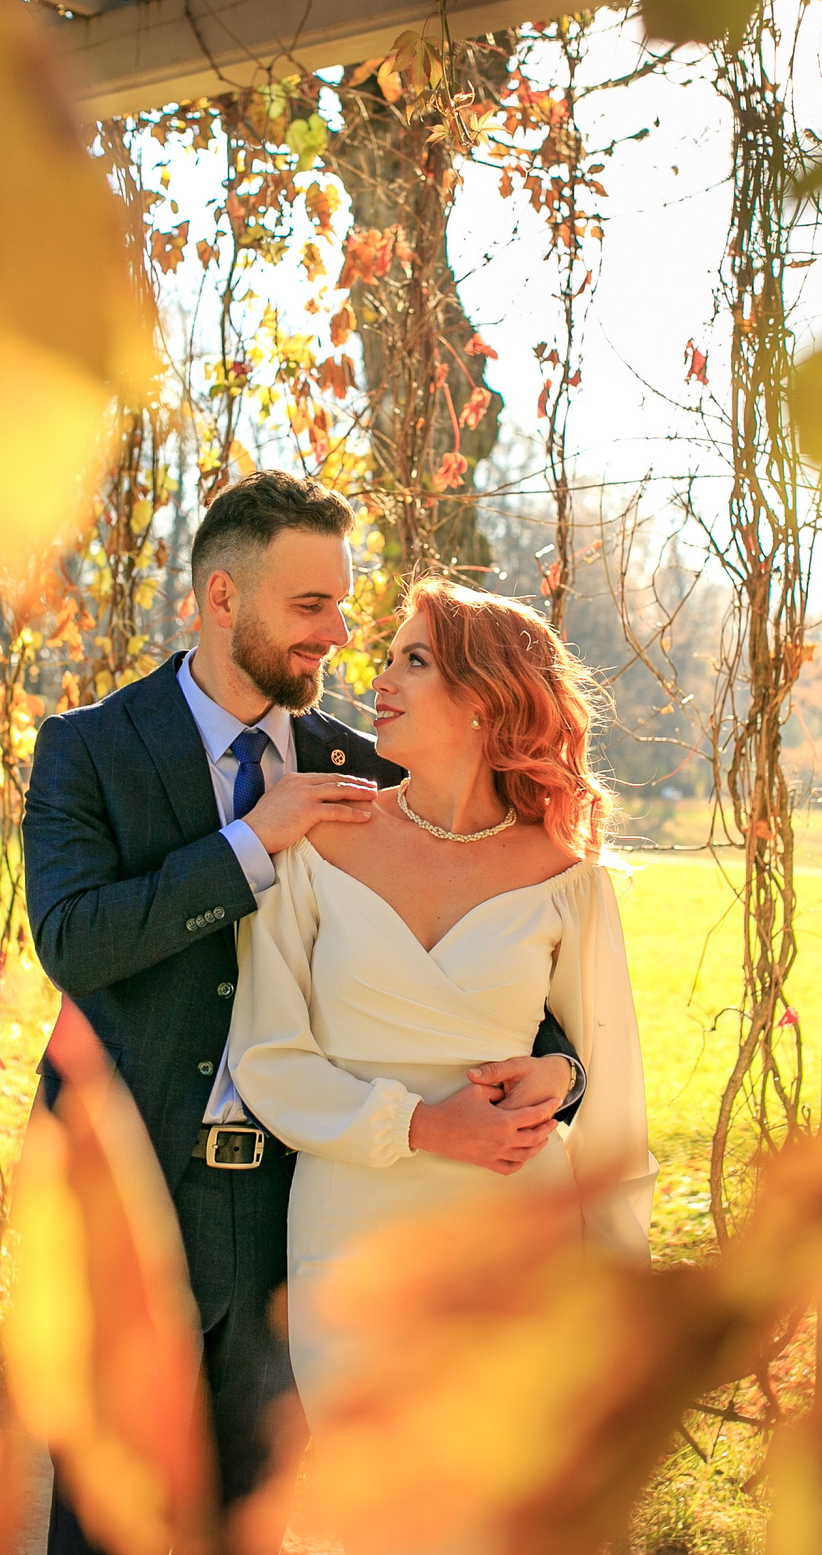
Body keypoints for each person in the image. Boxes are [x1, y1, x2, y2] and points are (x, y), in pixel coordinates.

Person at [20, 473, 586, 1555]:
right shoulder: (87, 749)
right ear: (221, 598)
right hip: (126, 1188)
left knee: (254, 1515)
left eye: (342, 601)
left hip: (294, 1204)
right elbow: (75, 938)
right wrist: (251, 843)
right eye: (311, 606)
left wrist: (563, 1066)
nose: (338, 633)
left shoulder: (362, 764)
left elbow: (488, 943)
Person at [229, 575, 655, 1427]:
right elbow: (268, 1057)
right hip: (352, 1237)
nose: (377, 680)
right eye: (385, 658)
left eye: (412, 660)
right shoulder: (318, 840)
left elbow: (611, 1095)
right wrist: (423, 1126)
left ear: (484, 700)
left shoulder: (567, 874)